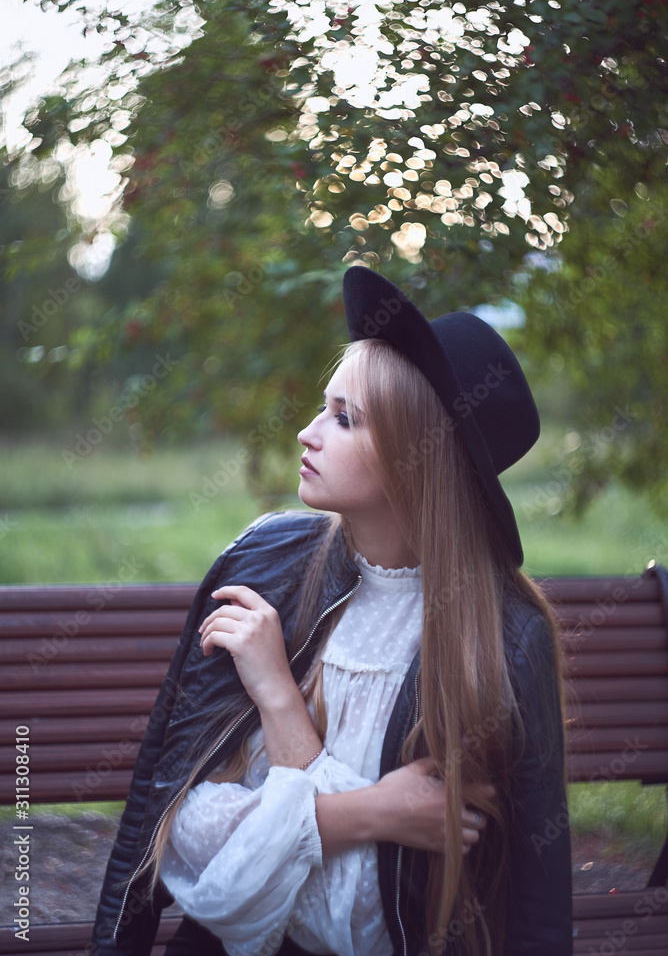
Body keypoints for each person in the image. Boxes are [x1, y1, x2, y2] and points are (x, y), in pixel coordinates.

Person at [91, 268, 572, 956]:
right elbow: (175, 820)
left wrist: (289, 787)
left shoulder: (501, 639)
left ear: (416, 458)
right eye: (324, 408)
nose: (306, 434)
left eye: (344, 418)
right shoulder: (263, 567)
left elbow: (526, 897)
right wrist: (370, 811)